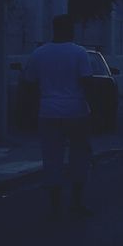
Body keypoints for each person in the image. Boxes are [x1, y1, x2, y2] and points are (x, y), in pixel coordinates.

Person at [22, 14, 95, 219]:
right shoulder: (79, 52)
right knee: (79, 157)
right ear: (70, 30)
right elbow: (87, 82)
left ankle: (55, 207)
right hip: (77, 111)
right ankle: (76, 203)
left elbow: (29, 83)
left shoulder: (39, 53)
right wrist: (93, 110)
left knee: (52, 159)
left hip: (48, 112)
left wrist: (33, 108)